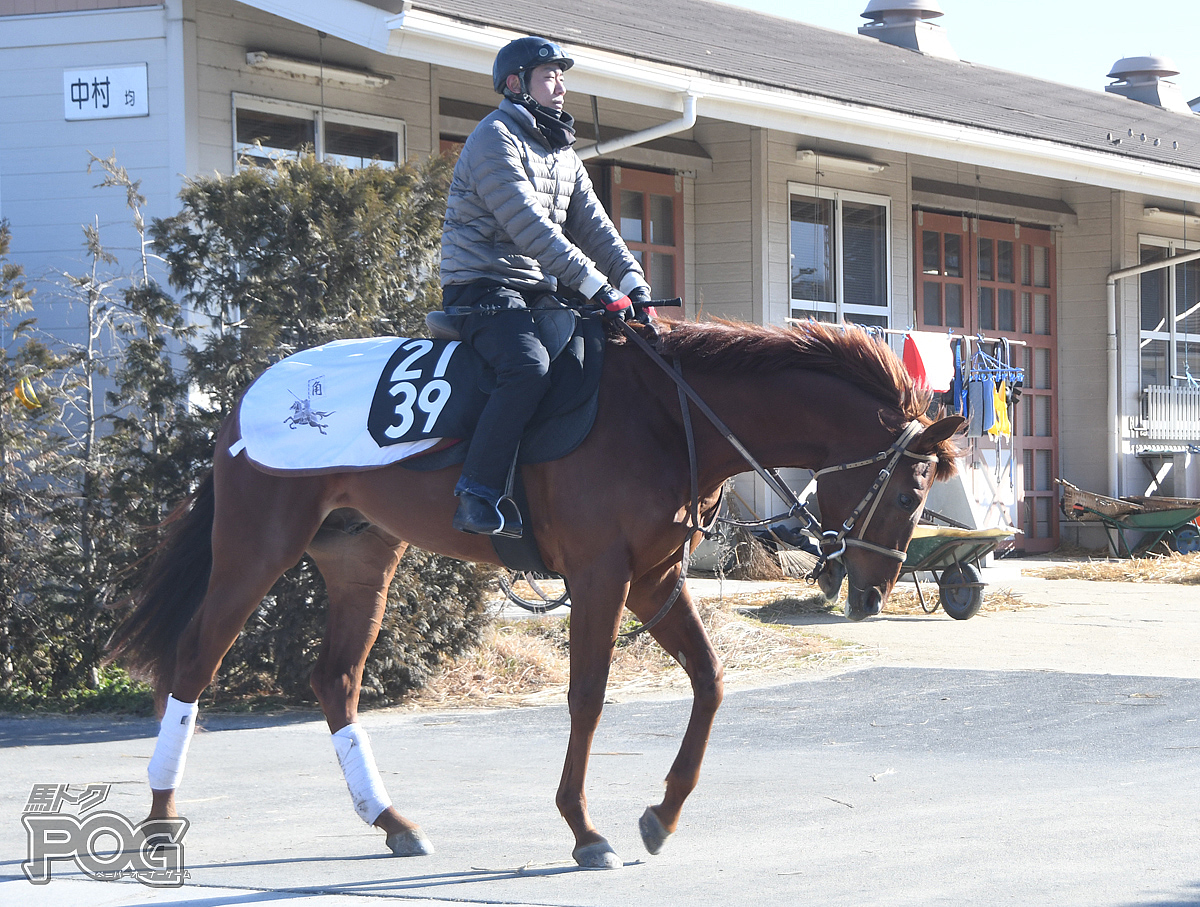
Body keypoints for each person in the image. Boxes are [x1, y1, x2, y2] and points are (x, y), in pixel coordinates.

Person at [440, 35, 652, 537]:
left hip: (535, 289)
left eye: (562, 77)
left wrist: (633, 282)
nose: (560, 87)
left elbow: (597, 228)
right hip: (480, 286)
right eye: (548, 76)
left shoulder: (562, 152)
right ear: (516, 85)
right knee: (528, 368)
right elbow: (531, 228)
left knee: (597, 355)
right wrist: (598, 287)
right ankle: (477, 492)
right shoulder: (494, 138)